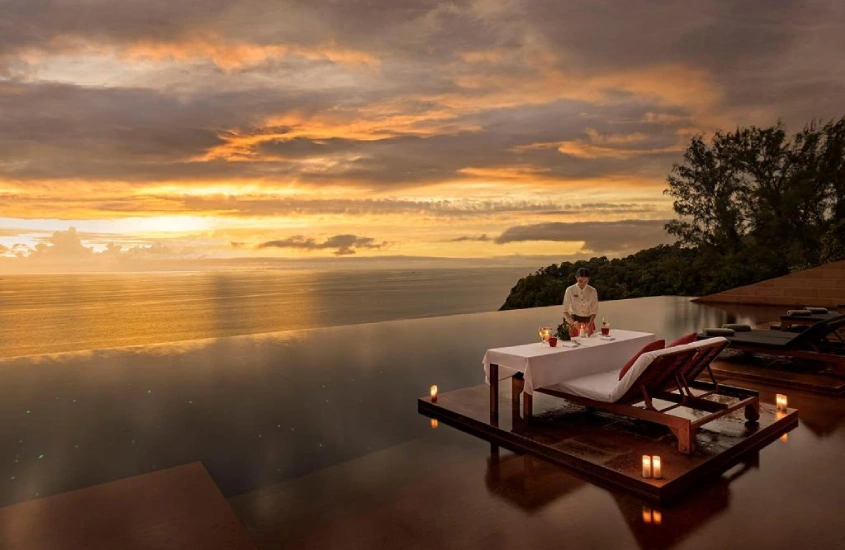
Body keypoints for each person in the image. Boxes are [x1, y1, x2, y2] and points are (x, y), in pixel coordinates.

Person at [562, 267, 598, 333]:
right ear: (576, 277)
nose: (583, 284)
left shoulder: (592, 291)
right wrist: (573, 323)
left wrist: (590, 325)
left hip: (588, 324)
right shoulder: (570, 290)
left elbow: (594, 311)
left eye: (585, 281)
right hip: (574, 324)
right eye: (580, 281)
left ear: (588, 279)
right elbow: (565, 311)